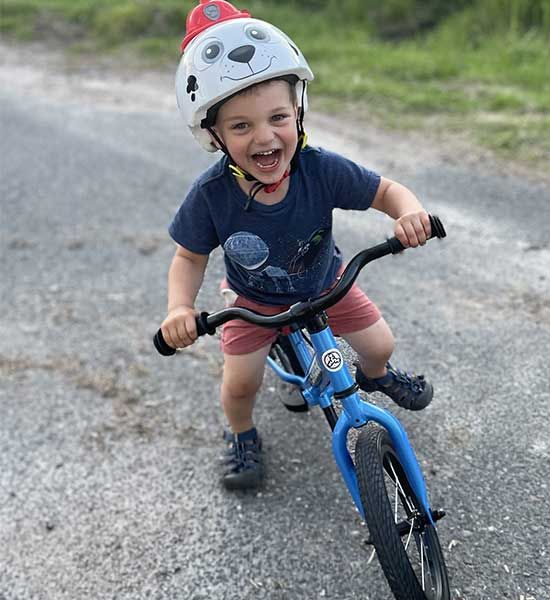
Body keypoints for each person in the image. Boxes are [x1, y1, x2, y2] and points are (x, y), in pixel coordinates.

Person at [161, 0, 434, 490]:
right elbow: (189, 255)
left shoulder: (320, 168)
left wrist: (408, 213)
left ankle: (375, 376)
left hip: (325, 284)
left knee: (380, 346)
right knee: (240, 385)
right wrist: (180, 308)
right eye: (241, 126)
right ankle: (243, 435)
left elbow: (388, 192)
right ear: (215, 135)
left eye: (278, 117)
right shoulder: (211, 195)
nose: (264, 137)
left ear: (298, 111)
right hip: (254, 302)